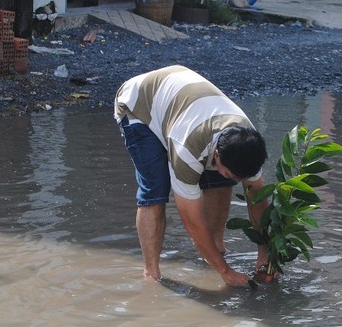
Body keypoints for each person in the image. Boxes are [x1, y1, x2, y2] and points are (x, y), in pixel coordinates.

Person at [114, 65, 270, 287]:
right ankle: (151, 273)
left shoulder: (249, 144)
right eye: (233, 174)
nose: (238, 182)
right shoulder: (187, 148)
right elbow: (191, 220)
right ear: (216, 154)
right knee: (155, 191)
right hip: (140, 107)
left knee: (221, 184)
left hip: (184, 103)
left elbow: (257, 199)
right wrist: (226, 272)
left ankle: (215, 252)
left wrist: (265, 255)